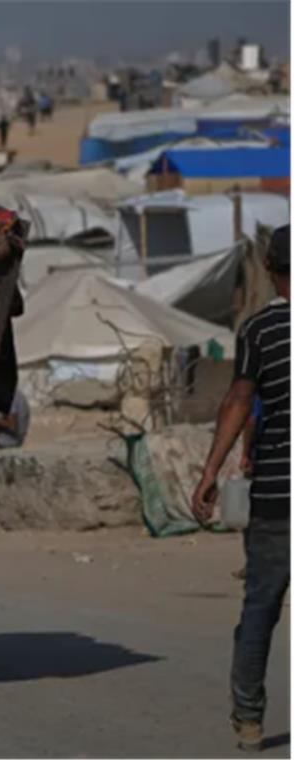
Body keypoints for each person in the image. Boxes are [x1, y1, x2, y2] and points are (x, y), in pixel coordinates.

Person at [191, 225, 289, 752]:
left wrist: (211, 472)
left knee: (261, 607)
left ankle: (249, 720)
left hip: (279, 495)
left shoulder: (259, 330)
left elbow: (240, 402)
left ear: (271, 271)